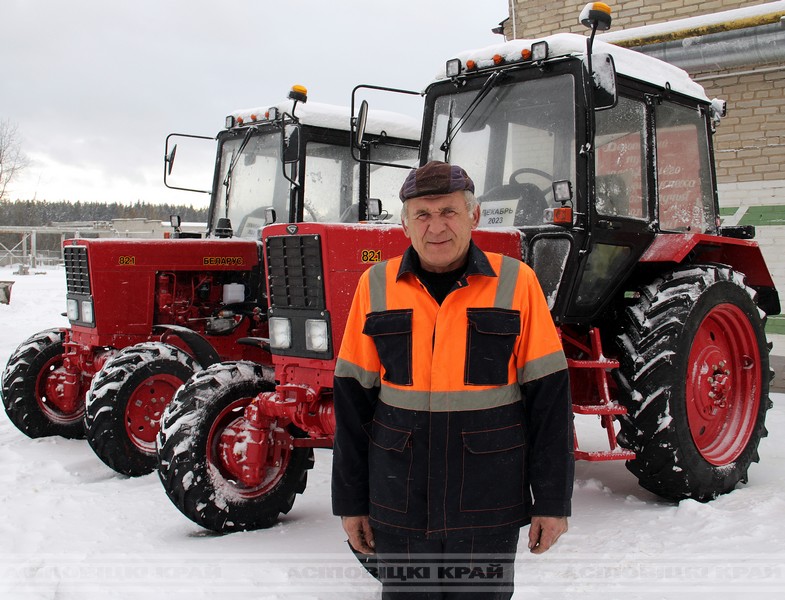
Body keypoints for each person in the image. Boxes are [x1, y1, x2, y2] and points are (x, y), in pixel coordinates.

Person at [332, 161, 574, 598]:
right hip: (399, 499)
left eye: (449, 212)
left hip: (488, 502)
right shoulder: (376, 285)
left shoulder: (517, 283)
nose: (435, 226)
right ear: (405, 223)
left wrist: (553, 502)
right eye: (422, 215)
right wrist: (351, 504)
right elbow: (352, 403)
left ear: (474, 216)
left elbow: (550, 402)